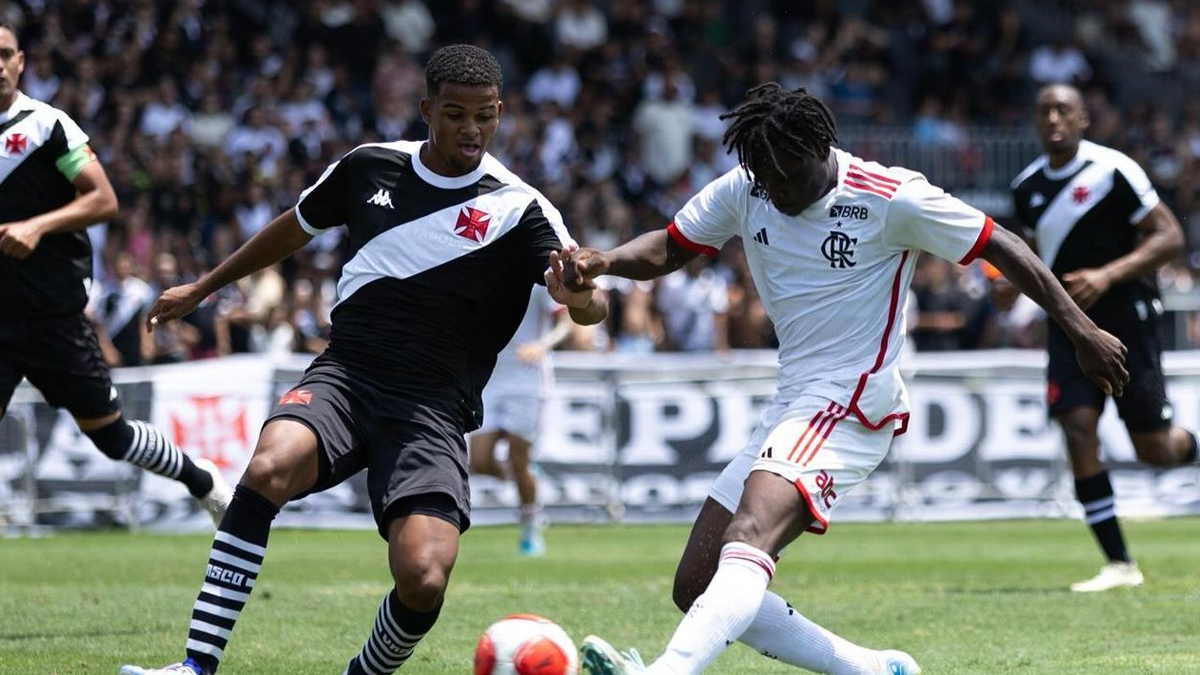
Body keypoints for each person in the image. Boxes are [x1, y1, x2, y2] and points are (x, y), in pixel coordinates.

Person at [558, 83, 1127, 675]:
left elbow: (1002, 245)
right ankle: (874, 669)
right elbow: (670, 248)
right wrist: (606, 259)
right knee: (697, 585)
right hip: (793, 402)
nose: (775, 191)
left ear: (823, 147)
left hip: (853, 398)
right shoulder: (750, 186)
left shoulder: (890, 197)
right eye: (764, 178)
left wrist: (1080, 330)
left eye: (788, 177)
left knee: (748, 534)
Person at [119, 45, 605, 675]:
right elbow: (293, 225)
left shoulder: (522, 209)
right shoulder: (369, 167)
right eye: (455, 114)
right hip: (347, 375)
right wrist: (203, 287)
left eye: (485, 115)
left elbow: (590, 307)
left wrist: (580, 297)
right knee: (270, 465)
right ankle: (194, 667)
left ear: (500, 113)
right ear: (427, 110)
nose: (471, 129)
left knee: (425, 577)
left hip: (432, 407)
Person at [0, 23, 230, 526]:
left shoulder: (46, 125)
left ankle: (202, 479)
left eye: (5, 54)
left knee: (112, 436)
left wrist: (36, 226)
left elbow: (104, 200)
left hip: (50, 317)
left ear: (22, 61)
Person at [1011, 83, 1198, 593]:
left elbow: (1170, 237)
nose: (1053, 118)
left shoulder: (1113, 170)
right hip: (1068, 326)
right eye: (1045, 110)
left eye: (1063, 110)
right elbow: (1029, 259)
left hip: (1127, 318)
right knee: (1077, 429)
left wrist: (1108, 275)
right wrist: (1008, 291)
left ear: (1083, 119)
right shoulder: (1025, 187)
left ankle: (1193, 449)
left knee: (1155, 449)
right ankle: (1120, 564)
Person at [469, 286, 571, 556]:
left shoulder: (537, 282)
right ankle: (524, 479)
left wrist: (542, 345)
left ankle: (530, 527)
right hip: (491, 379)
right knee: (479, 461)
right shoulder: (485, 271)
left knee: (519, 456)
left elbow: (565, 322)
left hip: (528, 378)